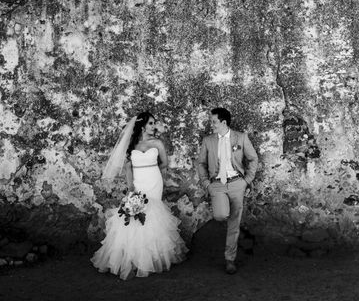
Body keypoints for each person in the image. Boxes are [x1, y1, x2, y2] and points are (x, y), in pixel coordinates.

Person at [91, 112, 188, 280]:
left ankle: (151, 258)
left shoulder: (157, 143)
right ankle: (133, 258)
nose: (154, 126)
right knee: (134, 216)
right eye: (151, 123)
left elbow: (164, 163)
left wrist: (158, 176)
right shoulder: (132, 144)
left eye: (154, 123)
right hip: (138, 182)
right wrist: (130, 187)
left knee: (153, 214)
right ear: (143, 126)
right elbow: (128, 168)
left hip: (154, 181)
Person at [196, 107, 258, 274]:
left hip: (237, 183)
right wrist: (206, 183)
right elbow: (201, 163)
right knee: (221, 215)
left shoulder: (241, 137)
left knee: (234, 224)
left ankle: (230, 259)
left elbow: (253, 159)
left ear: (223, 122)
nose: (211, 124)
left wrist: (247, 181)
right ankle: (223, 210)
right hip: (216, 184)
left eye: (214, 121)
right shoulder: (208, 140)